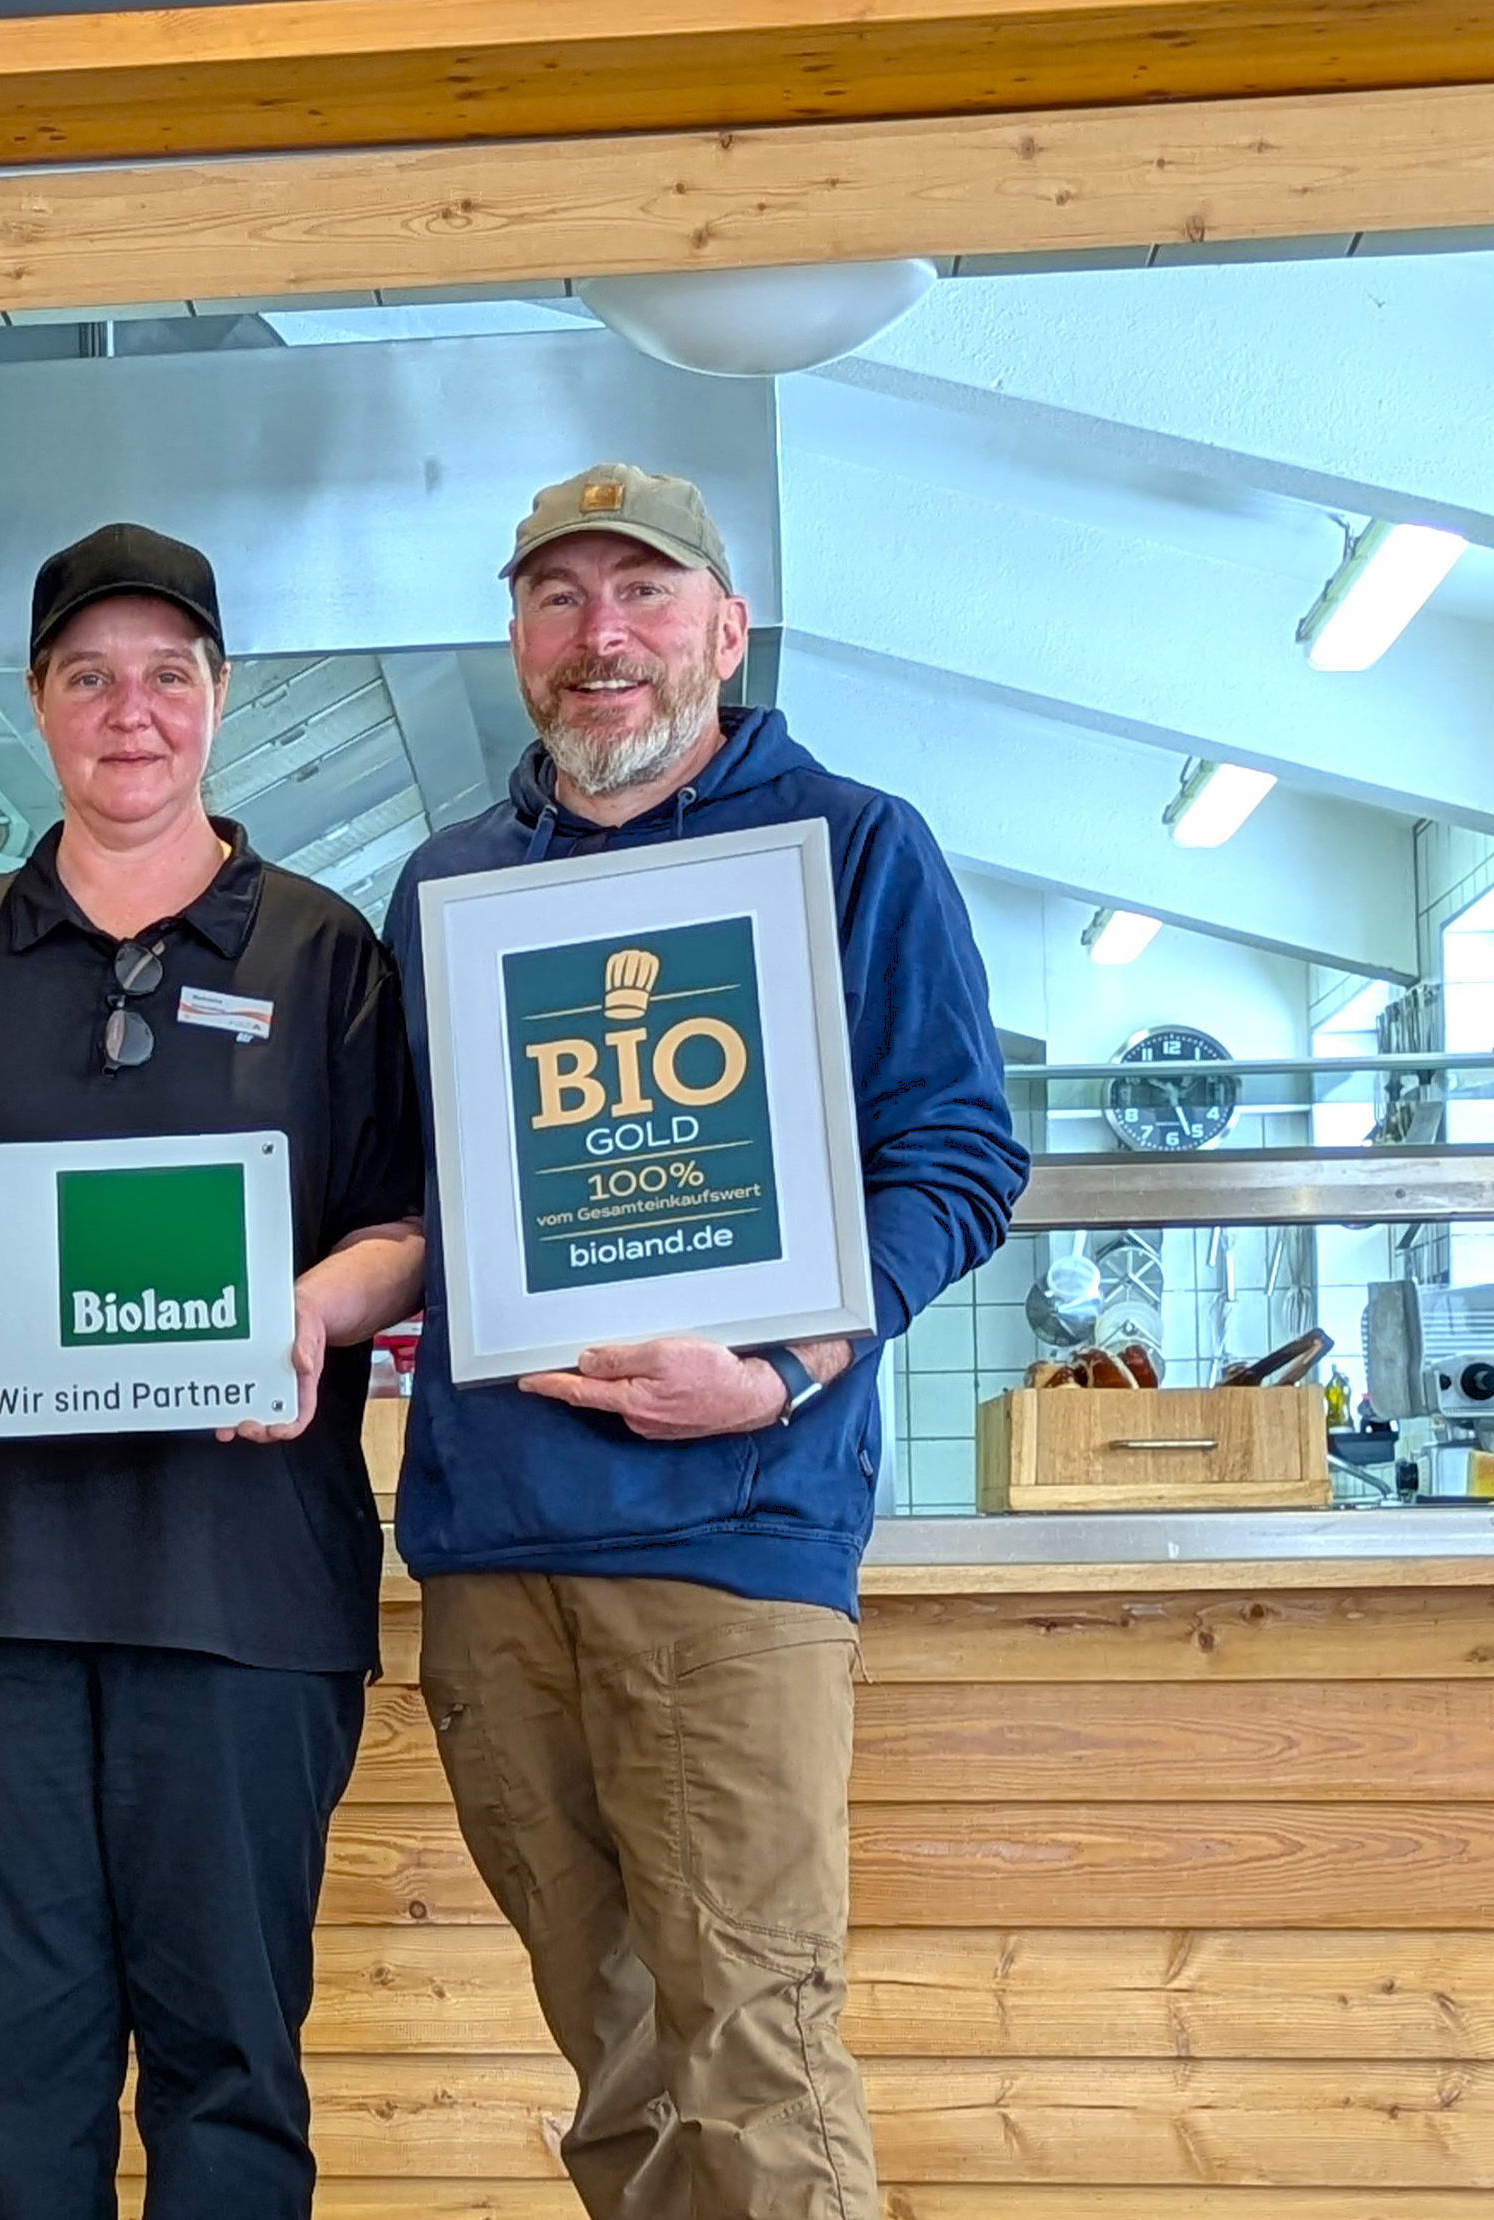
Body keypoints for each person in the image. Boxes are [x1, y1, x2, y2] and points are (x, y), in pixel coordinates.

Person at [379, 463, 1027, 2220]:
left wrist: (786, 1368)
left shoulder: (854, 848)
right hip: (494, 1552)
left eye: (645, 593)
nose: (603, 636)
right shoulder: (449, 888)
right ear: (518, 639)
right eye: (560, 597)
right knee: (614, 2072)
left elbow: (958, 1157)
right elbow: (409, 1199)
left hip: (731, 1542)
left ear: (726, 632)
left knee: (753, 2044)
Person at [0, 523, 427, 2219]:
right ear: (36, 703)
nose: (127, 712)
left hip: (242, 1603)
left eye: (164, 675)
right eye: (89, 677)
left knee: (233, 2073)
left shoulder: (324, 956)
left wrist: (310, 1310)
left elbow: (409, 1227)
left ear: (217, 696)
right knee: (22, 2080)